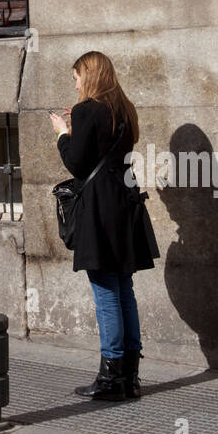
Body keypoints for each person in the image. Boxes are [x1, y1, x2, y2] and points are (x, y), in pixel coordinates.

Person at [50, 50, 159, 400]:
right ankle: (130, 375)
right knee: (123, 288)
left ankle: (111, 376)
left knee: (105, 292)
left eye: (77, 76)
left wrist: (63, 133)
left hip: (99, 210)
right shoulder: (124, 110)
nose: (76, 82)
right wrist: (78, 128)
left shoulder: (86, 111)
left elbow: (77, 165)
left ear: (90, 75)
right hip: (124, 204)